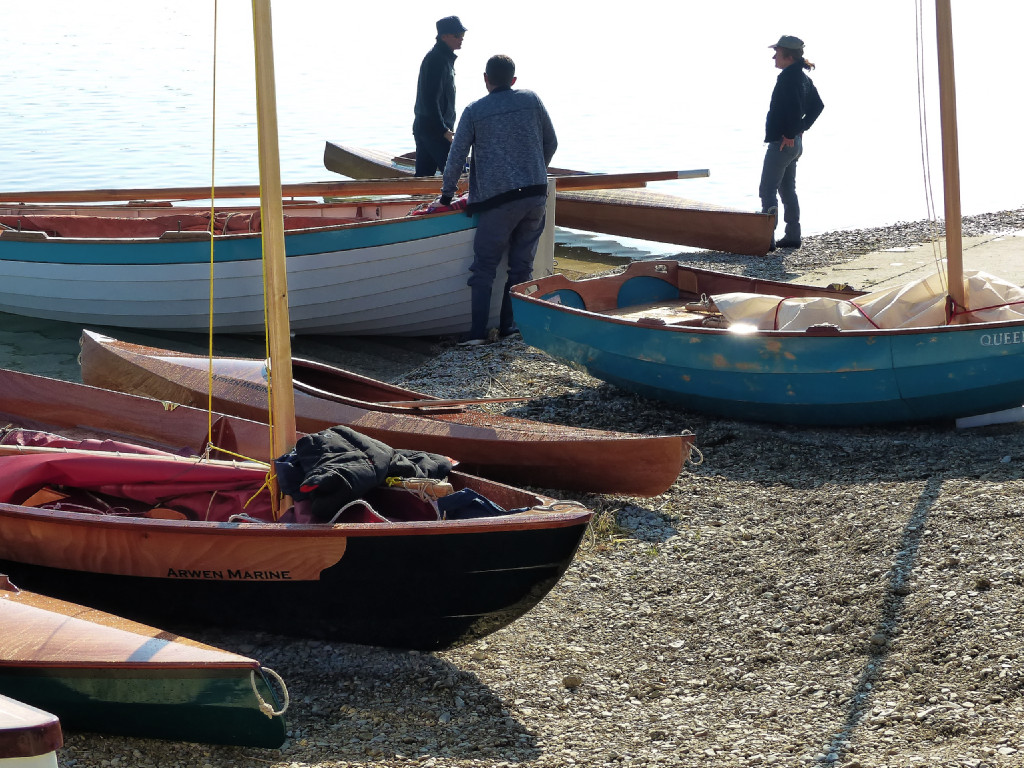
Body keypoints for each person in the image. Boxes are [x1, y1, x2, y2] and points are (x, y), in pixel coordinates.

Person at [435, 54, 558, 346]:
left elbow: (456, 156)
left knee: (485, 267)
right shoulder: (531, 99)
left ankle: (478, 334)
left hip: (497, 201)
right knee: (520, 267)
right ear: (513, 80)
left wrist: (446, 195)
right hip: (535, 195)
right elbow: (551, 142)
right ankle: (509, 327)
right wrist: (535, 170)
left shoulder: (475, 110)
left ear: (486, 79)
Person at [760, 34, 824, 250]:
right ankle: (792, 236)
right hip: (793, 143)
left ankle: (766, 240)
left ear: (788, 55)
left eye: (776, 53)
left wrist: (792, 131)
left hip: (783, 143)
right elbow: (818, 106)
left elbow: (796, 109)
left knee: (767, 189)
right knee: (787, 189)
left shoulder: (789, 77)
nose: (773, 57)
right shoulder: (802, 77)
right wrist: (799, 130)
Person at [412, 16, 467, 177]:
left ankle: (420, 202)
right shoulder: (437, 60)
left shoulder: (443, 58)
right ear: (444, 36)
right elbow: (430, 99)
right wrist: (444, 130)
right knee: (459, 177)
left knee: (424, 179)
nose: (461, 38)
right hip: (435, 131)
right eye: (457, 35)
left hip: (428, 129)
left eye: (462, 34)